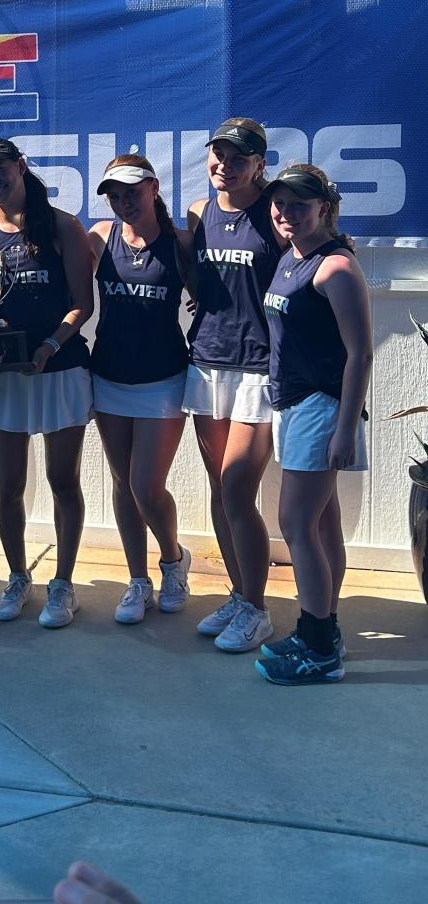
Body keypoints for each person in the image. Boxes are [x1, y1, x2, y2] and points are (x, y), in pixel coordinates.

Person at [0, 138, 94, 628]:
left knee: (63, 481)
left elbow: (82, 303)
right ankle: (18, 576)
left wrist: (49, 346)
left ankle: (62, 583)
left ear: (20, 167)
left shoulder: (63, 225)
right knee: (7, 487)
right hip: (8, 378)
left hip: (58, 369)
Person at [254, 164, 372, 685]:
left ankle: (319, 647)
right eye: (280, 203)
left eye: (300, 205)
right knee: (320, 526)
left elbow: (361, 354)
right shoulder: (290, 257)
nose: (287, 214)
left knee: (296, 526)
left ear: (324, 207)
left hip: (320, 409)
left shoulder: (335, 269)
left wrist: (345, 430)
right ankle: (324, 631)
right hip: (294, 405)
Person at [183, 119, 283, 652]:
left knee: (239, 489)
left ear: (260, 163)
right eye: (218, 155)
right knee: (220, 491)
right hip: (207, 362)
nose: (225, 164)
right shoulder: (200, 212)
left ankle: (259, 609)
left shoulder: (276, 211)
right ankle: (241, 593)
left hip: (259, 367)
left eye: (238, 157)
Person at [89, 154, 194, 624]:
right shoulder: (99, 236)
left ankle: (173, 561)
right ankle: (137, 580)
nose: (123, 201)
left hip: (163, 381)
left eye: (132, 190)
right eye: (114, 194)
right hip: (108, 376)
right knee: (122, 484)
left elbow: (223, 301)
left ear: (153, 188)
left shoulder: (180, 244)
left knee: (146, 486)